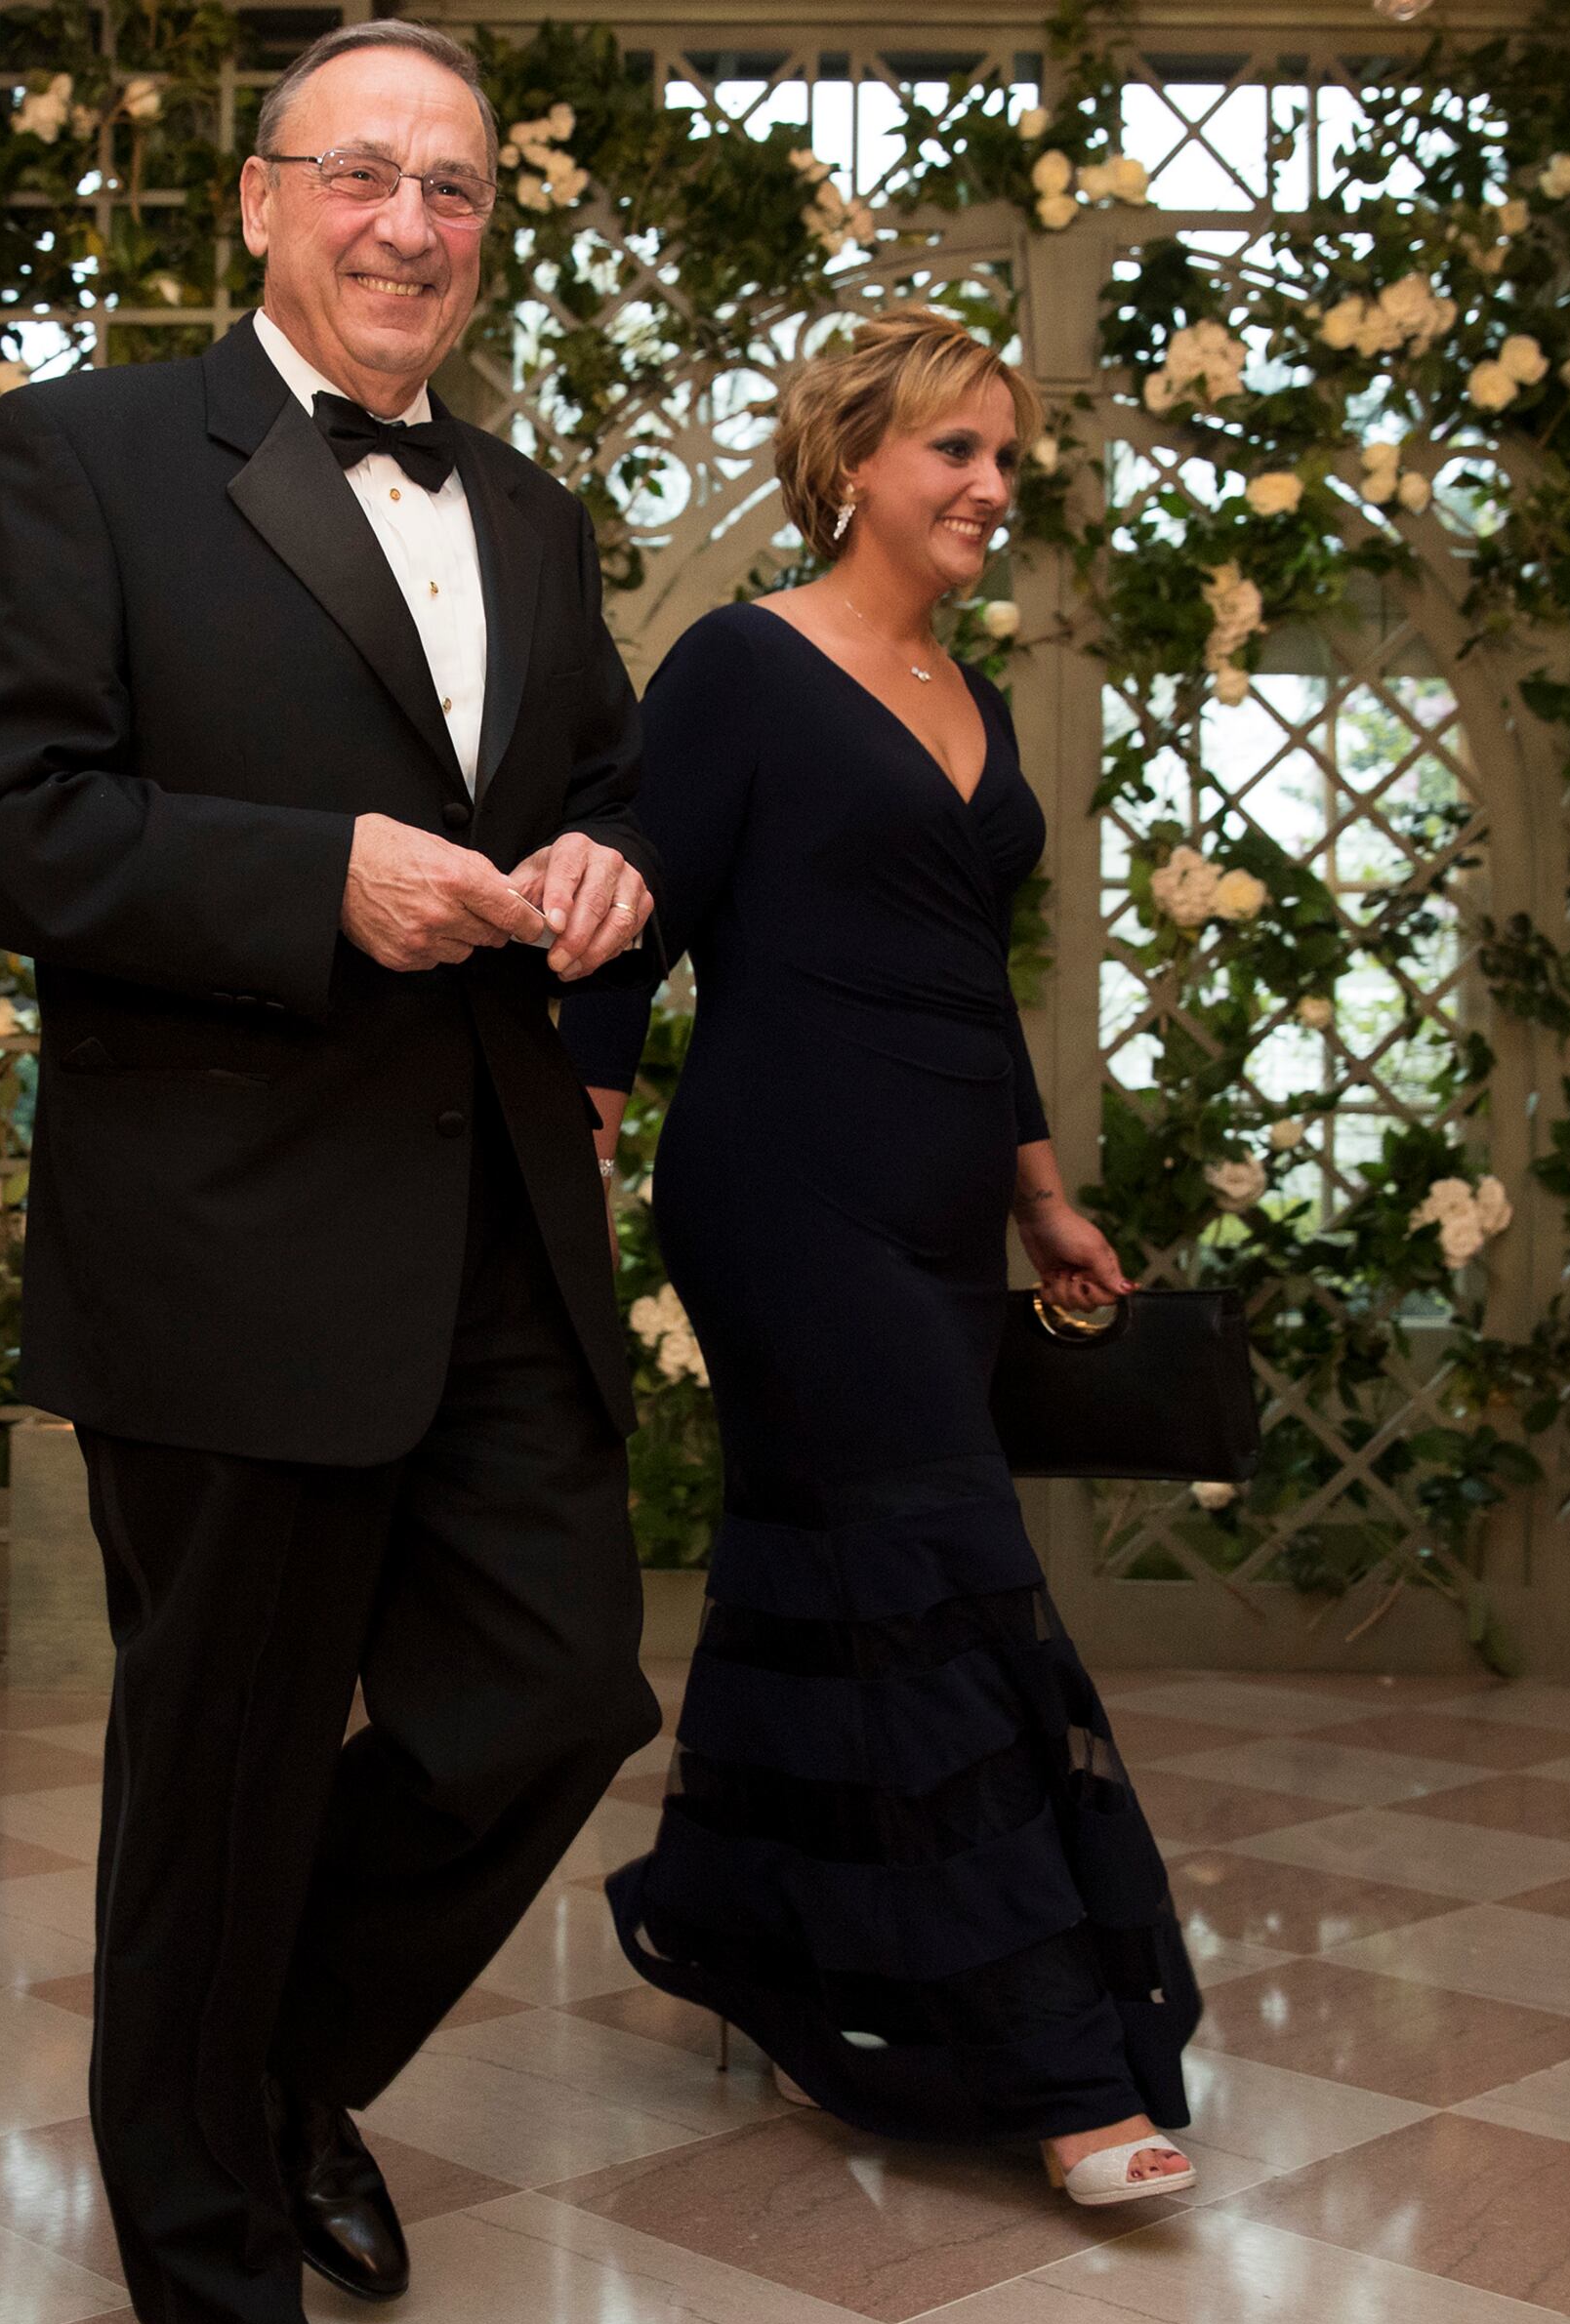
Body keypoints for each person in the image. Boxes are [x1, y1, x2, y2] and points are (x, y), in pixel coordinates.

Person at [0, 20, 666, 2324]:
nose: (410, 226)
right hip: (224, 1239)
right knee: (220, 1773)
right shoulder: (87, 454)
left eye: (452, 188)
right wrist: (305, 878)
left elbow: (613, 786)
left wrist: (609, 881)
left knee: (551, 1693)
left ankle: (265, 2072)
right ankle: (210, 2268)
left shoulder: (535, 517)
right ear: (260, 203)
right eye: (363, 174)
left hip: (496, 1232)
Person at [562, 307, 1202, 2209]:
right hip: (783, 1190)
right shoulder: (746, 667)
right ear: (857, 463)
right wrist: (582, 1147)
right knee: (948, 1572)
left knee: (825, 1563)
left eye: (1010, 458)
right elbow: (624, 918)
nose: (998, 487)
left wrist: (1037, 1193)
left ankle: (758, 1929)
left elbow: (963, 972)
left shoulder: (966, 692)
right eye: (960, 453)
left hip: (936, 1208)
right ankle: (1058, 2057)